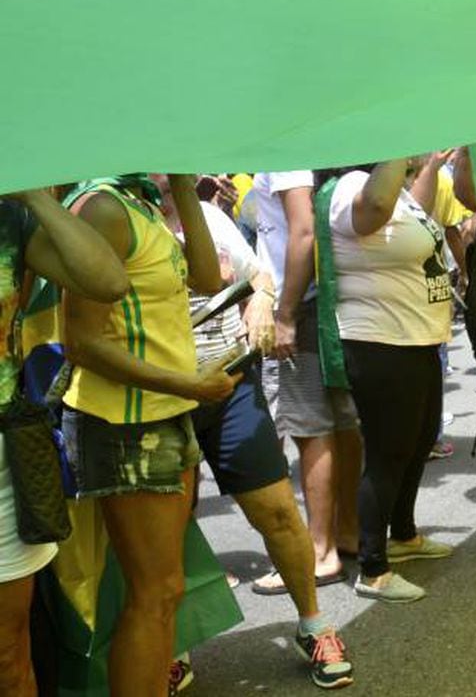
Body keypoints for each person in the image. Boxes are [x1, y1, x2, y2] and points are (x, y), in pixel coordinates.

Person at [151, 178, 354, 688]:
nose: (166, 173)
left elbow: (257, 272)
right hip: (164, 396)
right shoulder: (123, 222)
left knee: (280, 515)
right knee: (169, 536)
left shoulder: (207, 215)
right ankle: (173, 647)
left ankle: (313, 625)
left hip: (232, 385)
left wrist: (263, 298)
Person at [60, 174, 238, 696]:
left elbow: (207, 277)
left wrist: (184, 190)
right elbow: (82, 343)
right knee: (153, 593)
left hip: (167, 413)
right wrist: (187, 382)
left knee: (164, 592)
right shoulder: (102, 209)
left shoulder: (137, 202)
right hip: (128, 424)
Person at [0, 189, 127, 697]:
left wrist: (32, 192)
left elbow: (108, 280)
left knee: (9, 652)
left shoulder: (10, 220)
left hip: (4, 461)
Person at [322, 156, 455, 602]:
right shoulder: (351, 186)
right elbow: (374, 212)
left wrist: (433, 163)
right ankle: (373, 569)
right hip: (380, 341)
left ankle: (405, 536)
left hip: (418, 338)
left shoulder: (393, 189)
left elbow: (406, 213)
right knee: (388, 454)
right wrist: (398, 141)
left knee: (418, 443)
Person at [249, 171, 362, 591]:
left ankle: (319, 551)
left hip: (300, 301)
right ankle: (345, 532)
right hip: (316, 300)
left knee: (309, 428)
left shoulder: (283, 157)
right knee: (337, 423)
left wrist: (284, 314)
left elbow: (302, 232)